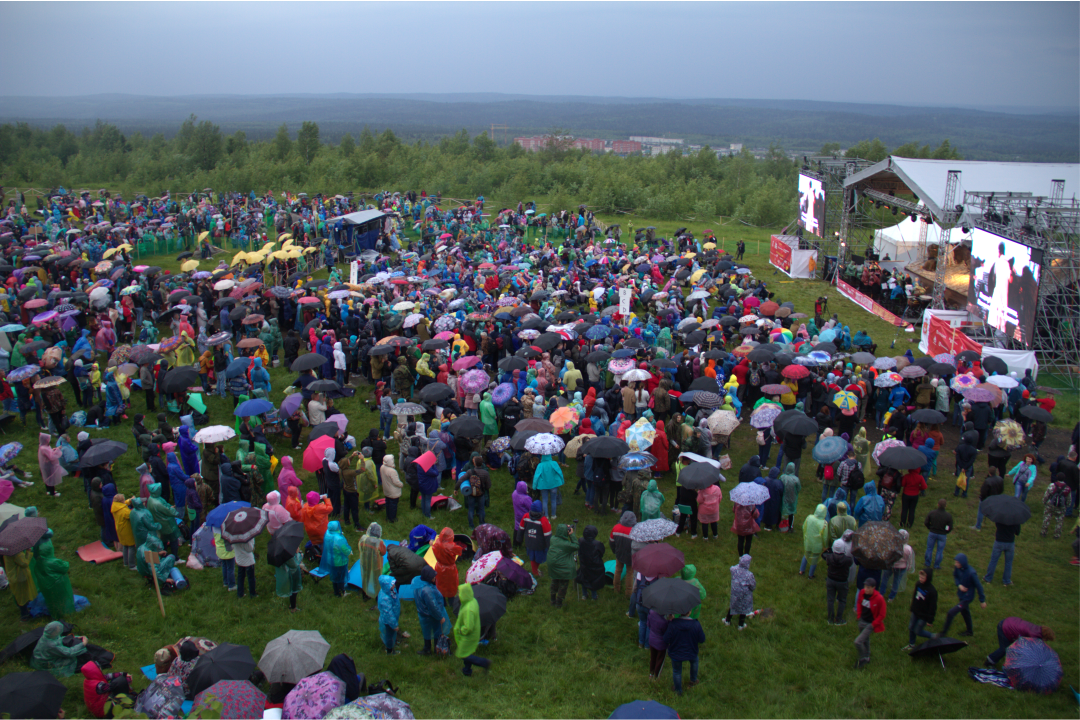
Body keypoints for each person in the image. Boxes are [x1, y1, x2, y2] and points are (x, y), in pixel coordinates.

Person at [936, 553, 986, 637]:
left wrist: (982, 600)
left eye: (957, 563)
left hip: (967, 598)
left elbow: (979, 586)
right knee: (965, 612)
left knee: (951, 613)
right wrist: (959, 585)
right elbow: (955, 576)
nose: (955, 564)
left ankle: (943, 633)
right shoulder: (957, 568)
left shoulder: (971, 573)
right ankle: (970, 631)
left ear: (962, 563)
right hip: (961, 594)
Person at [662, 610, 705, 696]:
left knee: (677, 671)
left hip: (676, 653)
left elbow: (666, 639)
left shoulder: (673, 624)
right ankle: (693, 680)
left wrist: (670, 621)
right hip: (692, 651)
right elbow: (702, 639)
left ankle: (678, 690)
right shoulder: (696, 624)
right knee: (694, 661)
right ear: (689, 612)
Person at [984, 617, 1054, 667]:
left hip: (1008, 622)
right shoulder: (1034, 636)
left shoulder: (1037, 629)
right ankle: (989, 661)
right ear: (1045, 636)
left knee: (1010, 648)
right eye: (1046, 639)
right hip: (1005, 628)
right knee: (1004, 649)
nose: (1045, 641)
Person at [454, 583, 491, 676]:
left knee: (463, 654)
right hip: (474, 632)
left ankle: (484, 663)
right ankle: (467, 670)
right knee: (467, 651)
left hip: (469, 635)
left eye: (459, 592)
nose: (458, 594)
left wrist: (461, 630)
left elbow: (468, 627)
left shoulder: (468, 609)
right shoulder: (472, 600)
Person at [901, 568, 937, 651]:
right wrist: (912, 607)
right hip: (915, 611)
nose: (920, 579)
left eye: (923, 578)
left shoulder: (932, 591)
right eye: (920, 577)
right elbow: (915, 596)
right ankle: (911, 644)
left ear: (928, 578)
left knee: (918, 631)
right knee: (911, 627)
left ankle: (933, 636)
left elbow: (933, 606)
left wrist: (930, 620)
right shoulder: (918, 584)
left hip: (924, 615)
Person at [853, 577, 886, 669]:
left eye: (868, 587)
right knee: (865, 639)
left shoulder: (879, 598)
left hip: (870, 624)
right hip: (862, 621)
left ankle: (862, 658)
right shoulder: (862, 593)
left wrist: (873, 624)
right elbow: (859, 603)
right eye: (865, 586)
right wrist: (859, 615)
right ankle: (867, 656)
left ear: (873, 588)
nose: (866, 589)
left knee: (858, 642)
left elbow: (882, 614)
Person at [822, 538, 854, 625]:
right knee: (842, 600)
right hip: (842, 582)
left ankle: (830, 619)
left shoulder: (829, 557)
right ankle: (838, 619)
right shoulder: (848, 560)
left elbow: (824, 556)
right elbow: (851, 563)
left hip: (831, 580)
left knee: (830, 599)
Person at [984, 516, 1021, 587]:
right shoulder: (1016, 519)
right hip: (1010, 543)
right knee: (1008, 563)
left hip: (999, 541)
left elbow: (997, 525)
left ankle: (988, 578)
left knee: (993, 560)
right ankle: (1006, 581)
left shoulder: (1000, 516)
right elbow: (1017, 532)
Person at [546, 523, 577, 608]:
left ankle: (552, 600)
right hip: (563, 567)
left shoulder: (552, 539)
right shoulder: (566, 544)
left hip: (552, 565)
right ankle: (559, 603)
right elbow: (576, 546)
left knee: (554, 581)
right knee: (563, 584)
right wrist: (571, 535)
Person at [433, 527, 463, 613]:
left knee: (440, 585)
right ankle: (451, 603)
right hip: (449, 569)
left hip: (439, 567)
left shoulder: (437, 543)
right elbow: (459, 551)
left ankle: (443, 603)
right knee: (451, 587)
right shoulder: (451, 546)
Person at [880, 529, 914, 602]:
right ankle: (891, 597)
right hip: (901, 568)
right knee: (896, 581)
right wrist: (909, 567)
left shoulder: (892, 545)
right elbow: (909, 560)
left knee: (885, 578)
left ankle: (881, 593)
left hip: (890, 566)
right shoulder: (908, 549)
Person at [520, 500, 552, 578]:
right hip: (540, 545)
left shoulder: (526, 516)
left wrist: (519, 539)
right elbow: (547, 535)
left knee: (532, 557)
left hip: (529, 543)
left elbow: (521, 528)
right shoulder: (543, 520)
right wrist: (550, 546)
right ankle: (535, 571)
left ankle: (535, 570)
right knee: (539, 558)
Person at [724, 554, 756, 629]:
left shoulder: (734, 569)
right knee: (743, 609)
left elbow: (731, 568)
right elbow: (753, 586)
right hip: (745, 596)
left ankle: (727, 621)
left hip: (735, 594)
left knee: (733, 606)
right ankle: (741, 625)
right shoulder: (749, 575)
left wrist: (739, 565)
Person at [576, 525, 606, 600]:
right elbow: (602, 552)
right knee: (594, 580)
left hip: (584, 564)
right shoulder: (598, 544)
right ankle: (594, 596)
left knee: (584, 578)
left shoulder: (580, 540)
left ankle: (584, 595)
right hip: (595, 565)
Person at [357, 522, 386, 600]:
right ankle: (377, 596)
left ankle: (365, 595)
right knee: (376, 580)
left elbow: (360, 548)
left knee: (365, 577)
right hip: (376, 565)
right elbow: (383, 552)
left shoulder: (363, 538)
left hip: (364, 562)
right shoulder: (379, 542)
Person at [609, 511, 636, 595]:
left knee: (618, 570)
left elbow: (611, 541)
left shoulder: (616, 527)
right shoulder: (635, 531)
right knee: (629, 573)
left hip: (619, 553)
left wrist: (615, 551)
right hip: (630, 556)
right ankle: (628, 592)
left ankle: (616, 589)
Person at [923, 498, 953, 570]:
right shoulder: (948, 516)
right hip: (942, 535)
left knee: (929, 548)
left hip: (932, 533)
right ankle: (936, 565)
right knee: (940, 551)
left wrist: (930, 528)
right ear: (946, 506)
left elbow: (926, 522)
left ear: (938, 505)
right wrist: (945, 532)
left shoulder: (932, 513)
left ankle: (927, 563)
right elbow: (949, 527)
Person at [800, 504, 828, 578]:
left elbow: (804, 527)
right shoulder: (824, 523)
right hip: (817, 544)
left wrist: (805, 536)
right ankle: (810, 575)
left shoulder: (809, 517)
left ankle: (801, 570)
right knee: (814, 559)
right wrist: (825, 546)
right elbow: (825, 537)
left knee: (806, 555)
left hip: (808, 541)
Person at [1041, 473, 1072, 539]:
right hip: (1061, 507)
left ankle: (1043, 532)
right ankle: (1056, 535)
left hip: (1050, 505)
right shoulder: (1067, 488)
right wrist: (1067, 505)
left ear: (1057, 478)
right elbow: (1068, 498)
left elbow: (1047, 494)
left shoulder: (1052, 485)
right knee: (1059, 521)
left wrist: (1044, 501)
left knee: (1047, 518)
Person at [377, 575, 401, 655]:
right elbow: (389, 614)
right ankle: (389, 650)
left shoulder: (388, 591)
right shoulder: (385, 599)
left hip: (391, 618)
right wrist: (394, 625)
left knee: (390, 634)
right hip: (389, 622)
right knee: (389, 635)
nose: (394, 585)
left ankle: (391, 645)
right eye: (392, 584)